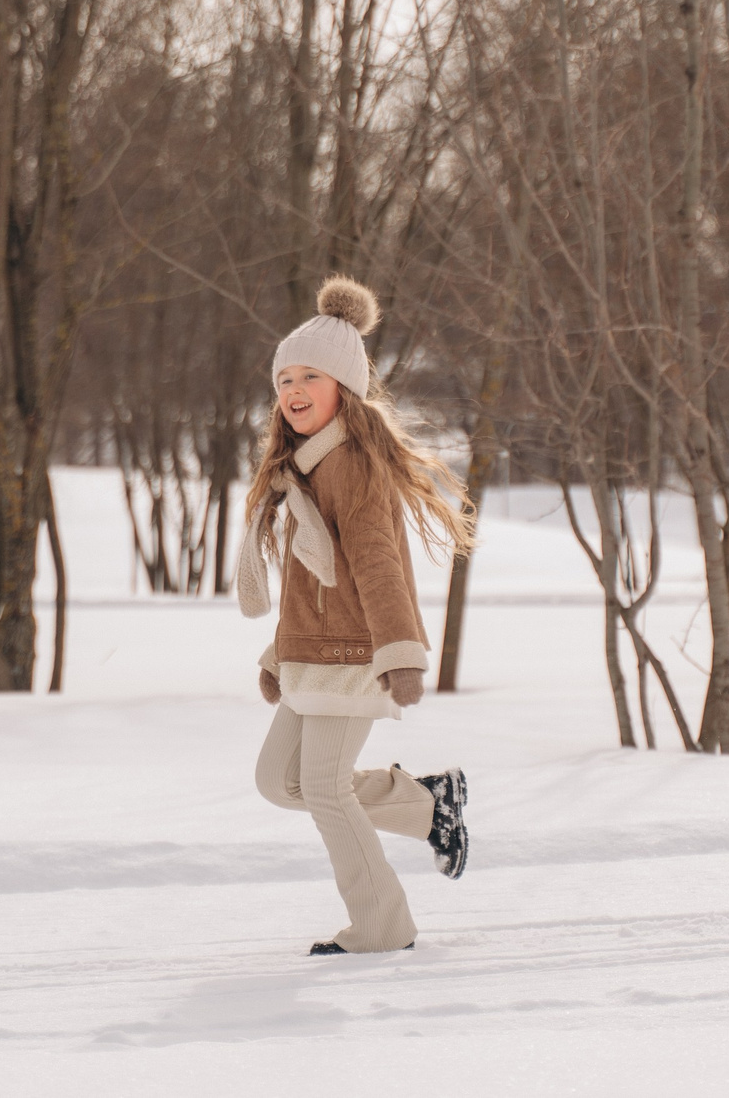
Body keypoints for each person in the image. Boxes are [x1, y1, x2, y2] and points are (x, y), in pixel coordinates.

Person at [240, 277, 476, 955]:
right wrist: (276, 657)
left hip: (355, 656)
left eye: (310, 374)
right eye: (284, 377)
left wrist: (400, 653)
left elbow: (376, 563)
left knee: (320, 786)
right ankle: (430, 806)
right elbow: (307, 586)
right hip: (315, 656)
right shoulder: (306, 468)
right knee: (278, 781)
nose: (293, 388)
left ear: (344, 385)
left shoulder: (351, 464)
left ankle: (381, 924)